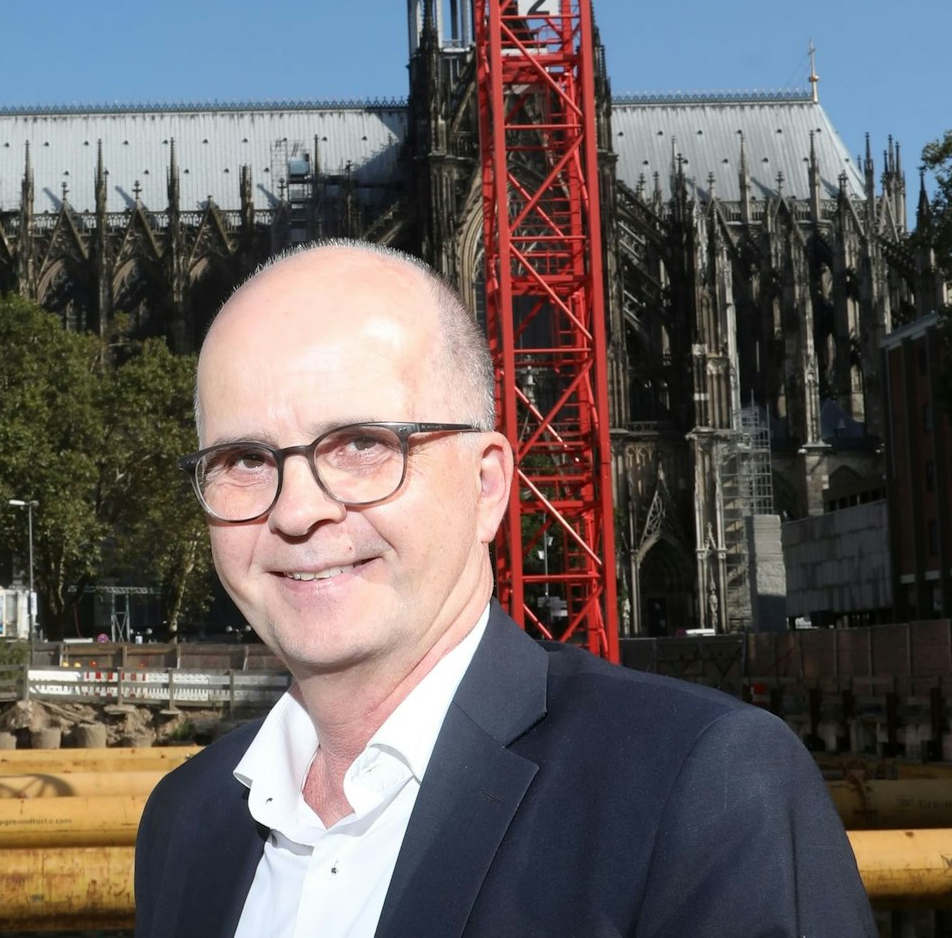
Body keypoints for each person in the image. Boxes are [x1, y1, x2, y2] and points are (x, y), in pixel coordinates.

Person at [133, 241, 872, 937]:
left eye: (361, 444)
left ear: (488, 485)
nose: (297, 509)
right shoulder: (184, 820)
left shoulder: (704, 790)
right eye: (243, 459)